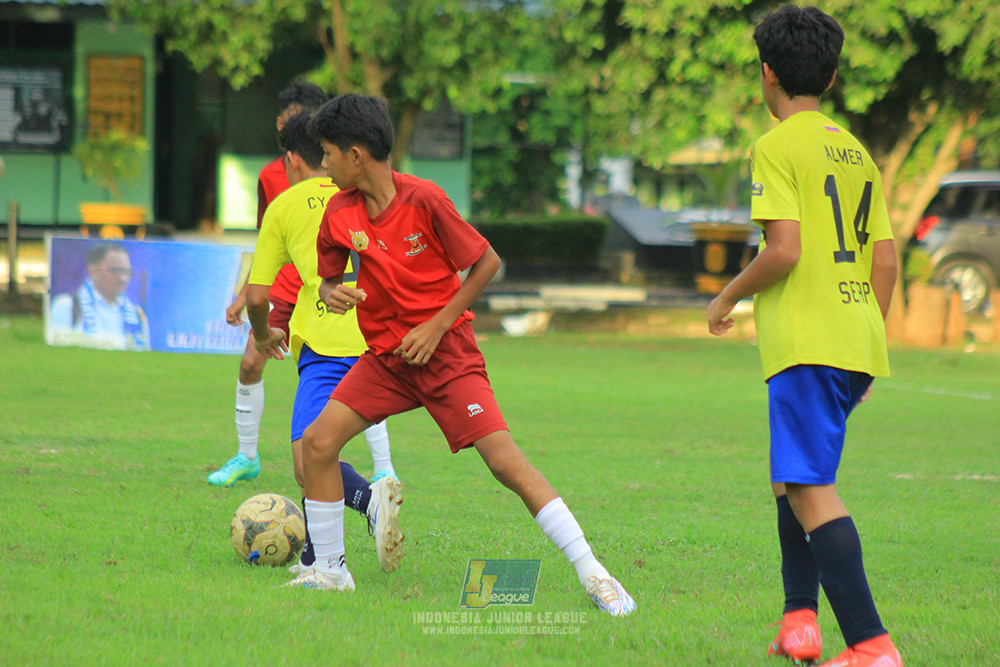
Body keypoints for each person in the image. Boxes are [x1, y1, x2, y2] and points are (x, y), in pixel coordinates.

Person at [278, 93, 635, 617]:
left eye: (328, 153)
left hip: (447, 356)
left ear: (357, 155)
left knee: (505, 464)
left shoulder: (425, 199)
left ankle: (596, 575)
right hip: (388, 360)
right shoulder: (338, 211)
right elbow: (330, 275)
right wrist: (334, 291)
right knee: (317, 442)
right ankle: (330, 571)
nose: (323, 164)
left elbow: (487, 262)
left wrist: (437, 324)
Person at [707, 6, 902, 666]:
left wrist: (728, 293)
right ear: (833, 73)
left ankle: (871, 644)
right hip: (852, 336)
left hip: (807, 342)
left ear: (767, 74)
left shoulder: (776, 146)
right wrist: (865, 339)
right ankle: (799, 621)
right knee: (788, 477)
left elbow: (783, 249)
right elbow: (887, 259)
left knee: (811, 487)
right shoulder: (857, 151)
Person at [209, 80, 397, 487]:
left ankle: (383, 468)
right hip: (284, 285)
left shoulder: (351, 182)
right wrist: (244, 294)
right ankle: (246, 456)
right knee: (250, 363)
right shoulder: (272, 179)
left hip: (328, 290)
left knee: (359, 371)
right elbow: (266, 242)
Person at [246, 111, 403, 574]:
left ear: (294, 159)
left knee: (306, 458)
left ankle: (366, 503)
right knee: (320, 449)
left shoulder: (288, 205)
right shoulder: (374, 192)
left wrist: (262, 332)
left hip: (328, 344)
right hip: (383, 340)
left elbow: (257, 295)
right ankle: (317, 555)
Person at [49, 242, 149, 351]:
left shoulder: (136, 314)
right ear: (93, 270)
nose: (123, 278)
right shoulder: (67, 306)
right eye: (115, 271)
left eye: (126, 272)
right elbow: (56, 350)